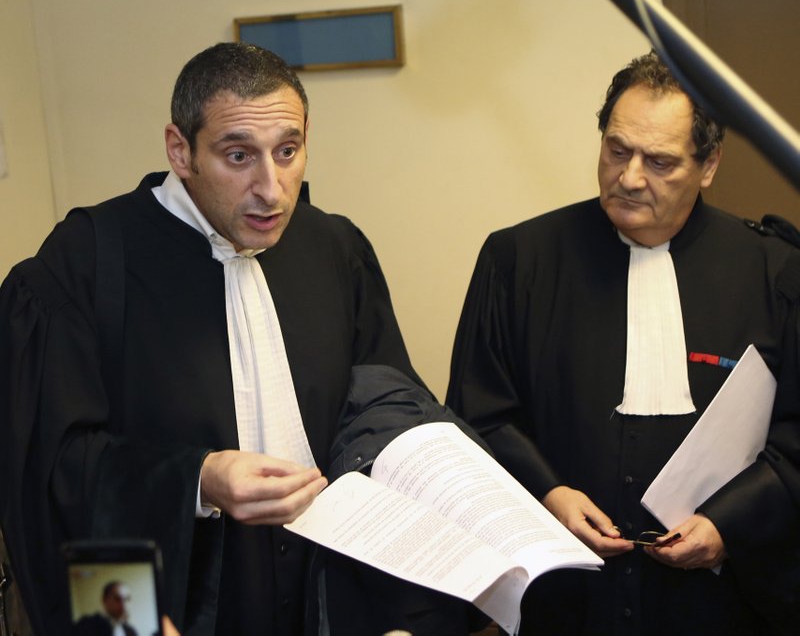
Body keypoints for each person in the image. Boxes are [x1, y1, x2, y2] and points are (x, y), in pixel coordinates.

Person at [0, 42, 471, 635]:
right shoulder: (85, 265)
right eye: (238, 155)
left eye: (288, 151)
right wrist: (199, 478)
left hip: (324, 592)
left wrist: (405, 612)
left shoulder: (334, 249)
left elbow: (386, 412)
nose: (271, 190)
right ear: (181, 150)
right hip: (178, 600)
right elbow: (54, 473)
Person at [446, 50, 800, 635]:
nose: (630, 178)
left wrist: (730, 525)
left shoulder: (775, 272)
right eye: (616, 150)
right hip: (564, 589)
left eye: (660, 162)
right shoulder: (519, 260)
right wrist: (549, 492)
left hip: (722, 604)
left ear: (708, 165)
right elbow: (479, 413)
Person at [73, 581, 138, 636]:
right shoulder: (85, 625)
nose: (124, 605)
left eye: (127, 599)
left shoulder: (131, 631)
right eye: (117, 599)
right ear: (104, 600)